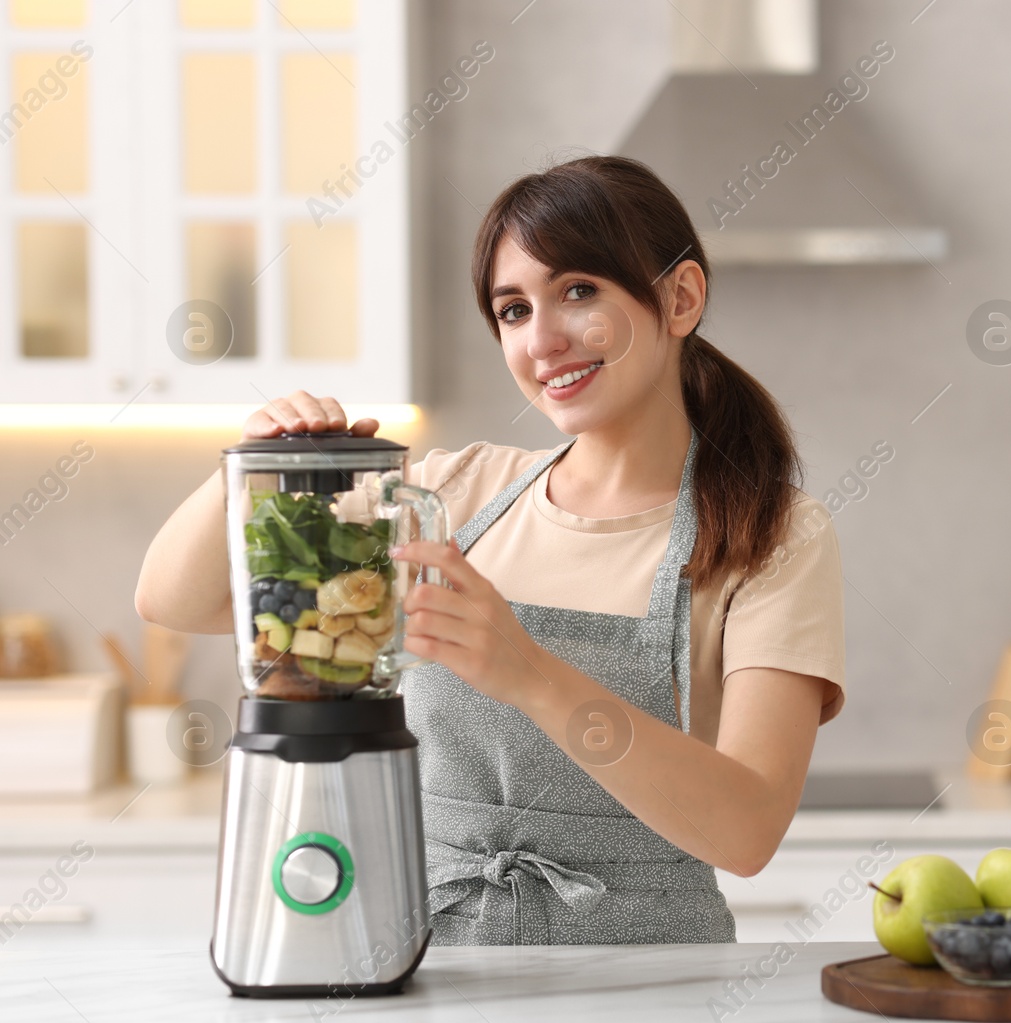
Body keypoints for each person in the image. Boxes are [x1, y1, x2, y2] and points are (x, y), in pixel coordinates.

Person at [135, 155, 846, 945]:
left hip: (652, 990)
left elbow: (746, 829)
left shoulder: (771, 531)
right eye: (512, 309)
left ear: (680, 298)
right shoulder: (450, 494)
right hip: (425, 955)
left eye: (579, 290)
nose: (542, 339)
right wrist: (258, 464)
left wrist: (529, 670)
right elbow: (175, 599)